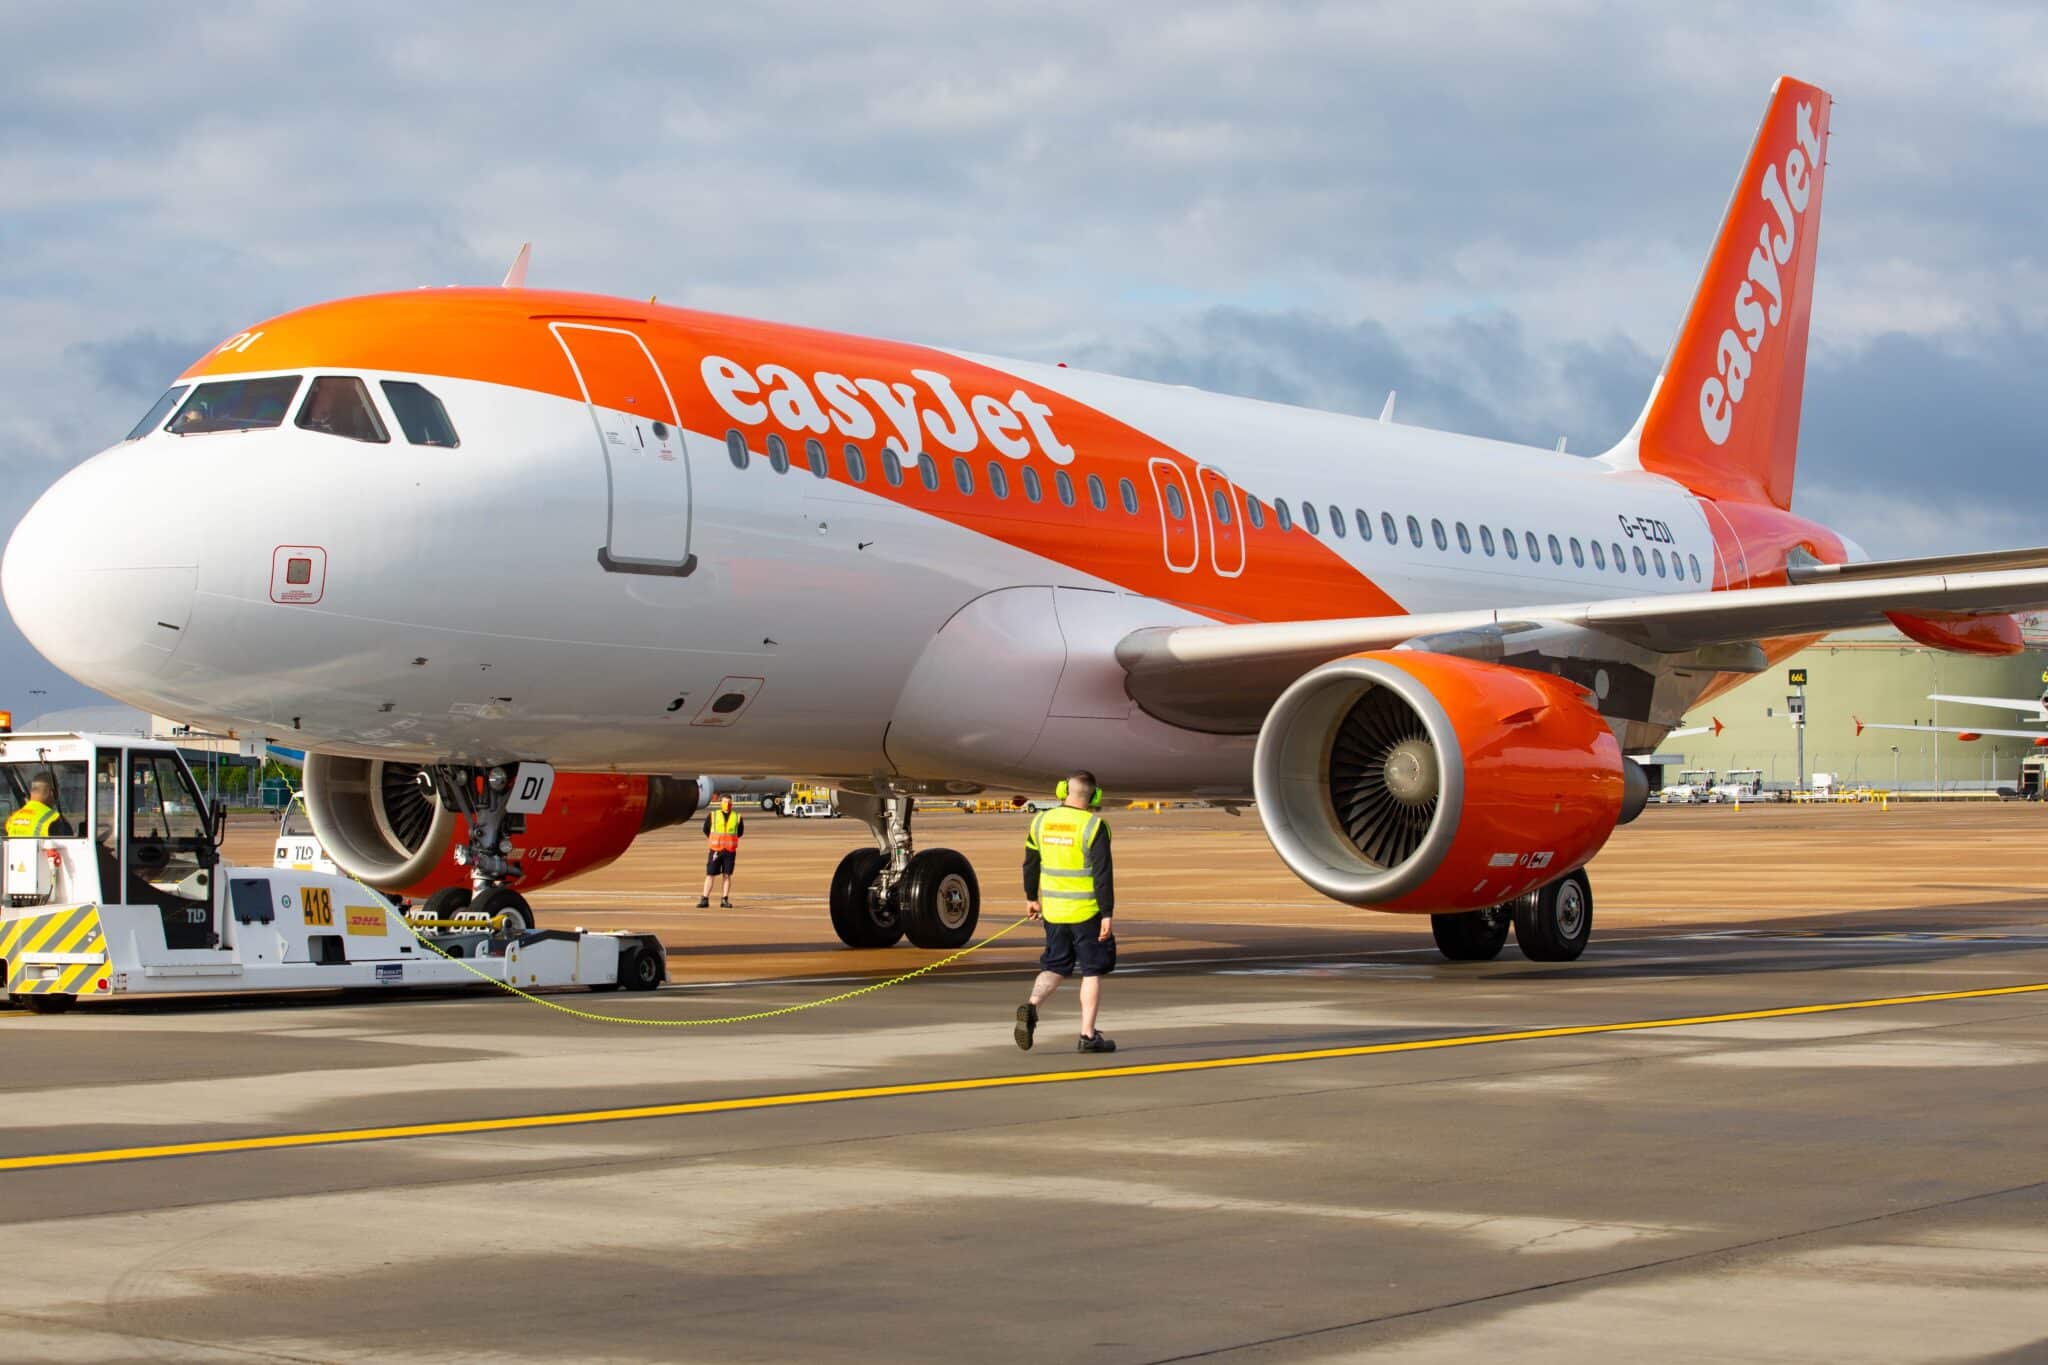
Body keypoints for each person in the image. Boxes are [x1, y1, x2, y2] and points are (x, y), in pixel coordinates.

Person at [1015, 770, 1116, 1053]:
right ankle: (1087, 1035)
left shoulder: (1041, 821)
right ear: (1095, 796)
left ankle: (1032, 1005)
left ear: (1062, 791)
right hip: (1086, 911)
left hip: (1054, 911)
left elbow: (1030, 864)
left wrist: (1030, 898)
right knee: (1092, 970)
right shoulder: (1094, 826)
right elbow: (1103, 874)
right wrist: (1107, 913)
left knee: (1055, 965)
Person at [698, 794, 743, 908]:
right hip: (715, 849)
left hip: (730, 851)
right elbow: (706, 829)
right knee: (710, 874)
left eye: (729, 802)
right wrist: (715, 839)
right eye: (724, 802)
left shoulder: (737, 817)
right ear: (720, 803)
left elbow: (740, 832)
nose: (727, 805)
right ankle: (704, 899)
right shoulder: (713, 815)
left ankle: (724, 899)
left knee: (727, 875)